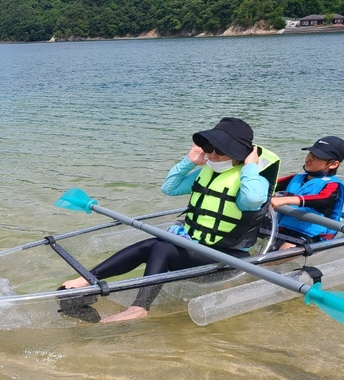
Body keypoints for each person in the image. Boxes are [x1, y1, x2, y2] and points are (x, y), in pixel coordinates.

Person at [61, 117, 281, 323]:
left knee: (163, 247)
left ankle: (140, 307)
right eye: (209, 148)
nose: (212, 155)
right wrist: (189, 161)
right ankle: (85, 281)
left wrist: (251, 165)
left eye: (221, 150)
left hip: (228, 258)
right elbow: (169, 188)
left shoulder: (253, 180)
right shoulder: (206, 172)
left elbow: (252, 200)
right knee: (152, 243)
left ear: (239, 154)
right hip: (196, 247)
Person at [270, 136, 344, 250]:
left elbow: (322, 198)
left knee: (285, 249)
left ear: (333, 164)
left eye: (317, 157)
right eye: (310, 154)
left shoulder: (332, 185)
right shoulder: (296, 178)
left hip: (313, 233)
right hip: (285, 226)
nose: (310, 158)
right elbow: (270, 185)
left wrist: (285, 200)